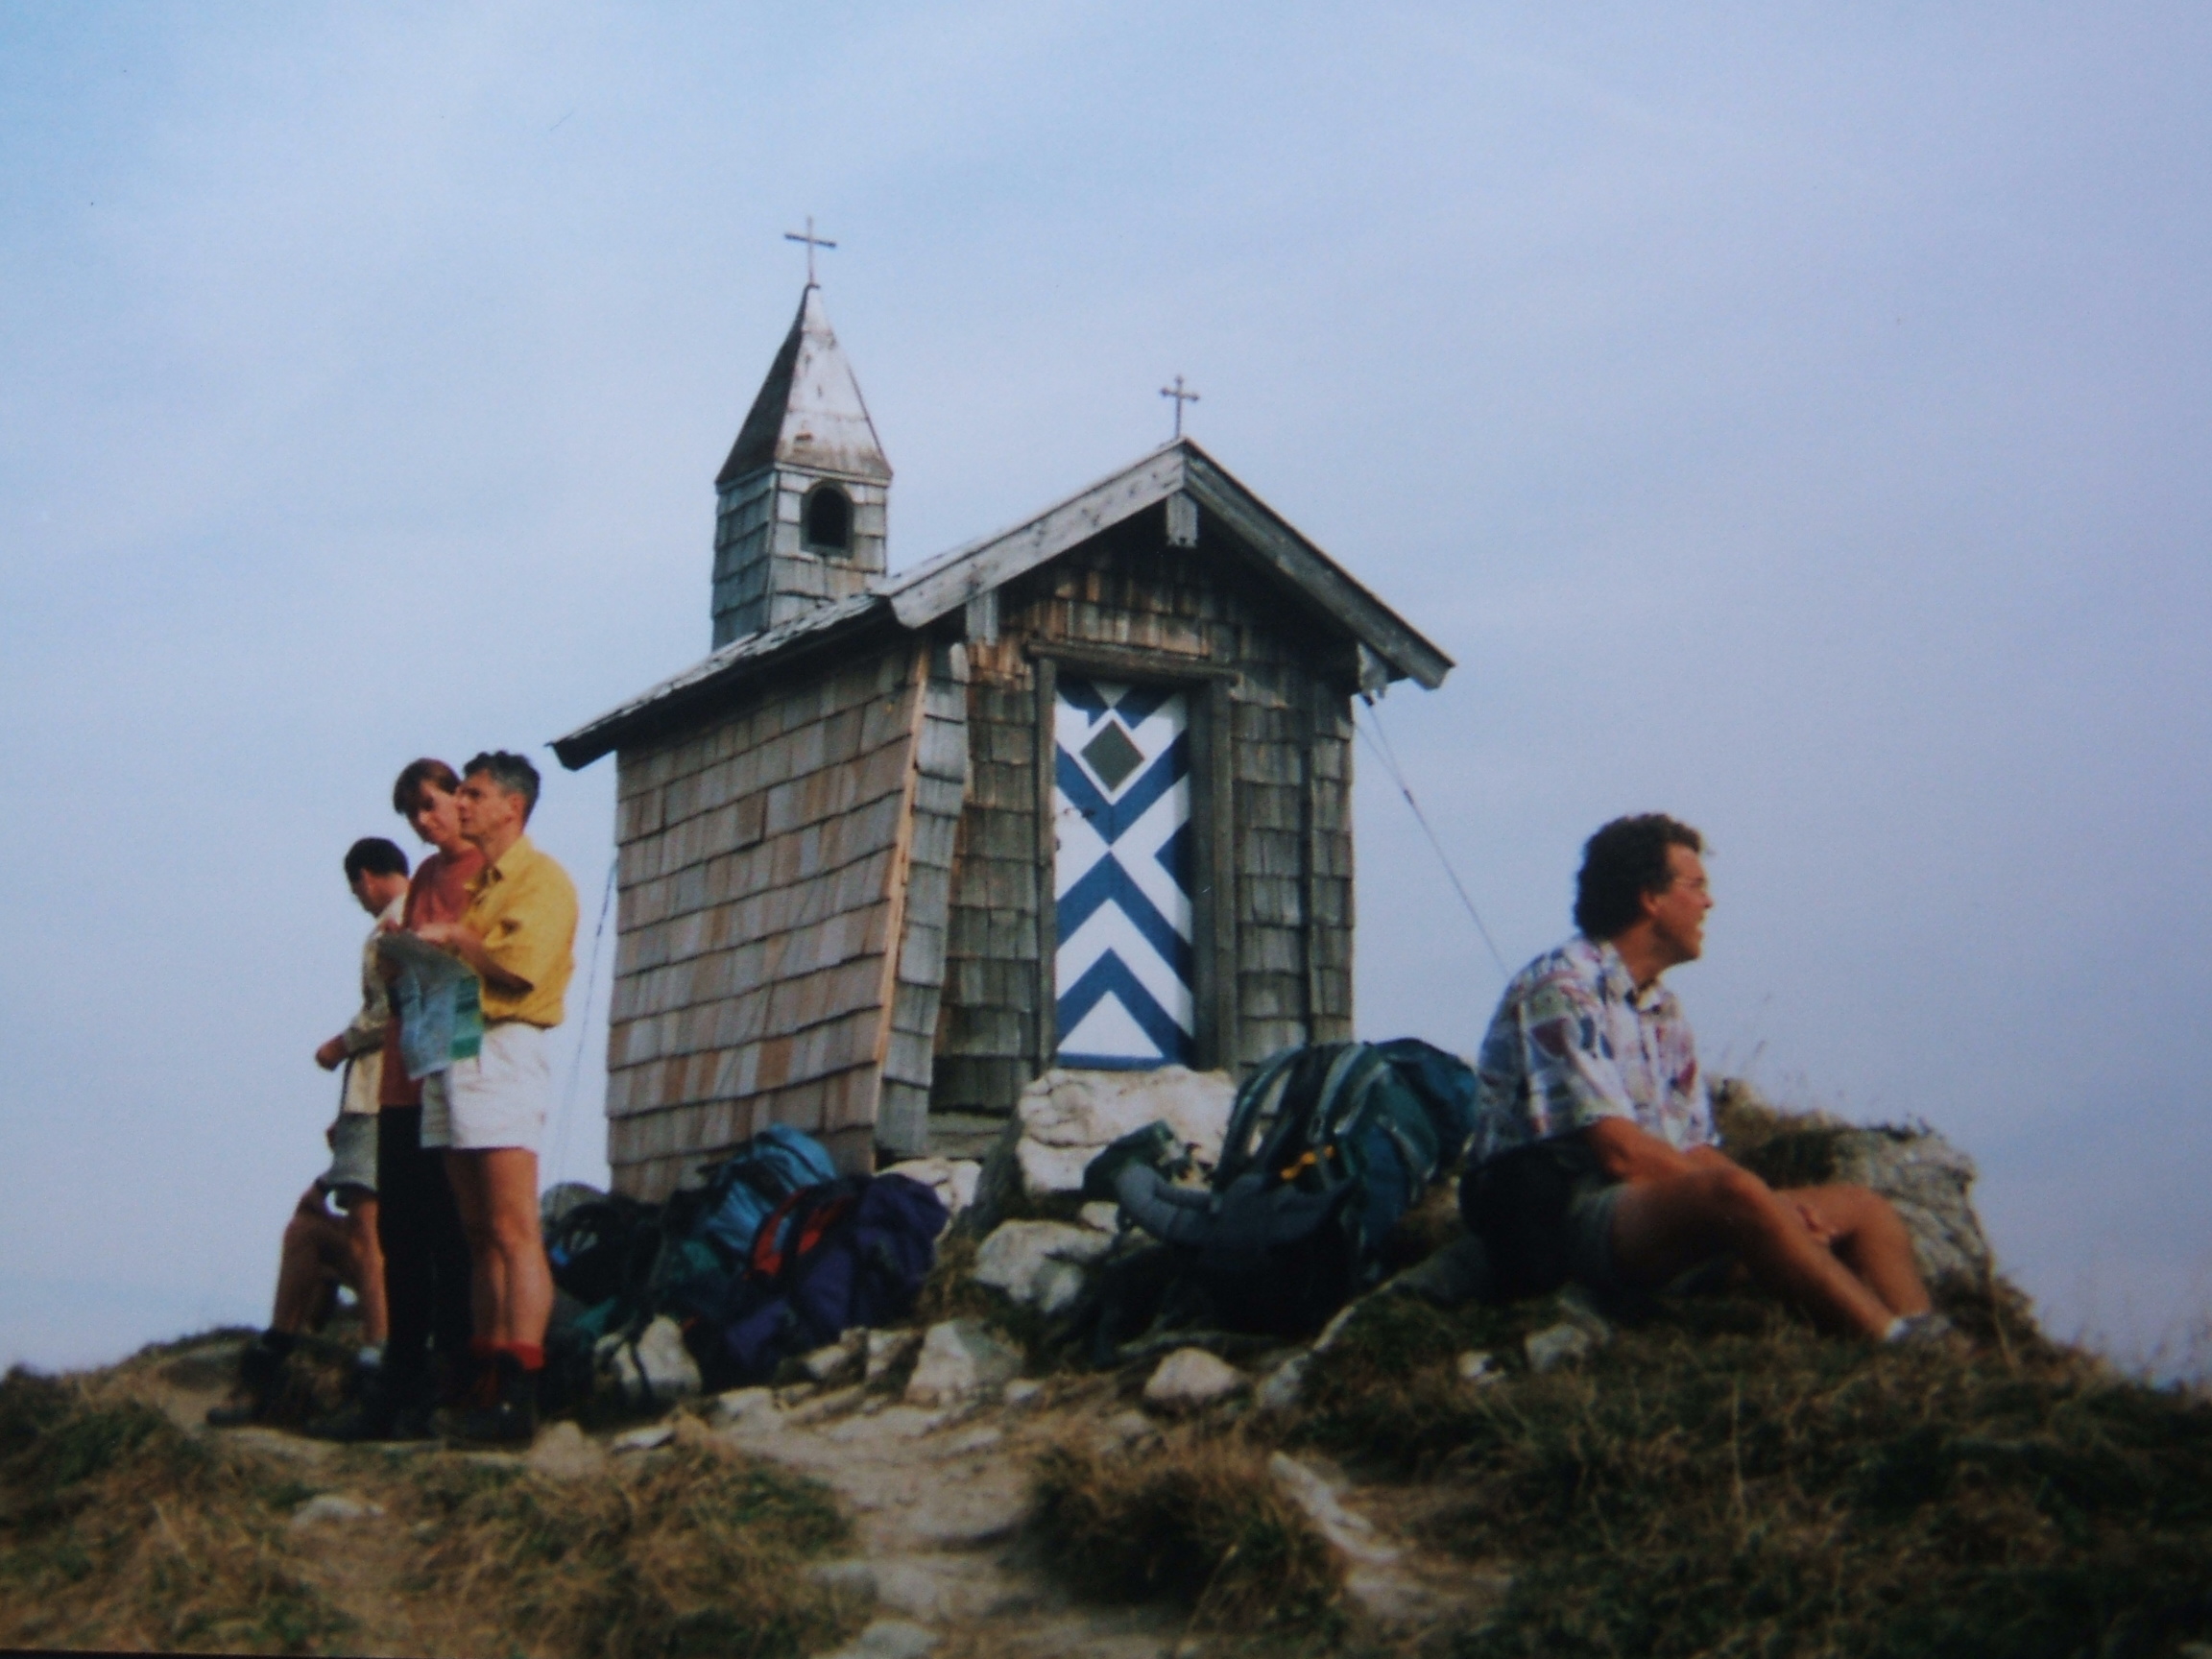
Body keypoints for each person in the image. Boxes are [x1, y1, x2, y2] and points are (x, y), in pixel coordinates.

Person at [1461, 814, 1944, 1343]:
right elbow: (1620, 1154)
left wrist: (1775, 1212)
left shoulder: (1662, 1010)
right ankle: (1890, 1342)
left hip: (1643, 1207)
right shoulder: (1563, 988)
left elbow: (1694, 1148)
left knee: (1864, 1208)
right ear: (1651, 898)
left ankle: (1937, 1354)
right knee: (1735, 1193)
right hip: (1558, 1213)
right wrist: (1764, 1205)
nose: (1708, 904)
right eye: (1696, 888)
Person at [208, 837, 409, 1426]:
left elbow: (389, 1012)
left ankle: (379, 1350)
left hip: (382, 1094)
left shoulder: (398, 924)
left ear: (367, 877)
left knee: (368, 1228)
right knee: (310, 1228)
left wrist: (337, 1046)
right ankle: (279, 1352)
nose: (357, 897)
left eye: (356, 885)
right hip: (369, 1097)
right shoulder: (401, 921)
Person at [311, 760, 483, 1442]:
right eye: (412, 812)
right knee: (400, 1235)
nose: (423, 820)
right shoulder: (426, 883)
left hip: (452, 1067)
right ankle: (401, 1380)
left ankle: (449, 1379)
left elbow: (480, 965)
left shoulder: (482, 873)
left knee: (449, 1235)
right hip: (402, 1078)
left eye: (431, 804)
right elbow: (396, 981)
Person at [411, 751, 577, 1443]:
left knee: (513, 1229)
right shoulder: (485, 886)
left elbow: (518, 971)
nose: (462, 805)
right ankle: (485, 1378)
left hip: (503, 1046)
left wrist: (458, 940)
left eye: (474, 794)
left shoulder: (539, 881)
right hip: (457, 1045)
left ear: (512, 805)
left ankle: (520, 1387)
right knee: (478, 1233)